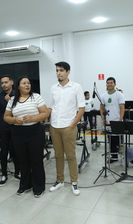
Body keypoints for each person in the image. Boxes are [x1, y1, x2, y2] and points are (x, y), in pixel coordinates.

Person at [4, 76, 49, 197]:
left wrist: (32, 118)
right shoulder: (12, 100)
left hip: (35, 132)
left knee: (36, 160)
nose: (27, 85)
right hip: (18, 133)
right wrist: (14, 120)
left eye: (28, 83)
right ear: (18, 86)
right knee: (22, 161)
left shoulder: (36, 97)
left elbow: (45, 113)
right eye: (24, 83)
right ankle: (25, 184)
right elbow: (6, 117)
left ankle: (38, 186)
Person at [49, 61, 85, 196]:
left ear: (68, 72)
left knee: (70, 155)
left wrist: (73, 124)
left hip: (68, 126)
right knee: (58, 155)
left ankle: (74, 182)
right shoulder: (54, 88)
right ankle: (59, 180)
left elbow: (81, 108)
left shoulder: (76, 87)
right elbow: (52, 107)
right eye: (57, 70)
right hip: (54, 126)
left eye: (61, 70)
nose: (59, 73)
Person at [0, 75, 20, 186]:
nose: (4, 84)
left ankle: (18, 172)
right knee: (3, 152)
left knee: (17, 151)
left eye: (6, 82)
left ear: (11, 82)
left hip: (16, 128)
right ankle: (4, 174)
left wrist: (11, 101)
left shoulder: (18, 95)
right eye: (2, 83)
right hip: (3, 129)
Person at [100, 77, 125, 163]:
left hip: (117, 121)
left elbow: (122, 108)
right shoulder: (103, 96)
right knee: (110, 140)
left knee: (116, 139)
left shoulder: (119, 95)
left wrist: (120, 120)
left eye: (111, 83)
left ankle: (115, 155)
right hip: (108, 121)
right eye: (108, 83)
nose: (109, 84)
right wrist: (103, 119)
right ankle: (113, 156)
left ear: (115, 84)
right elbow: (101, 109)